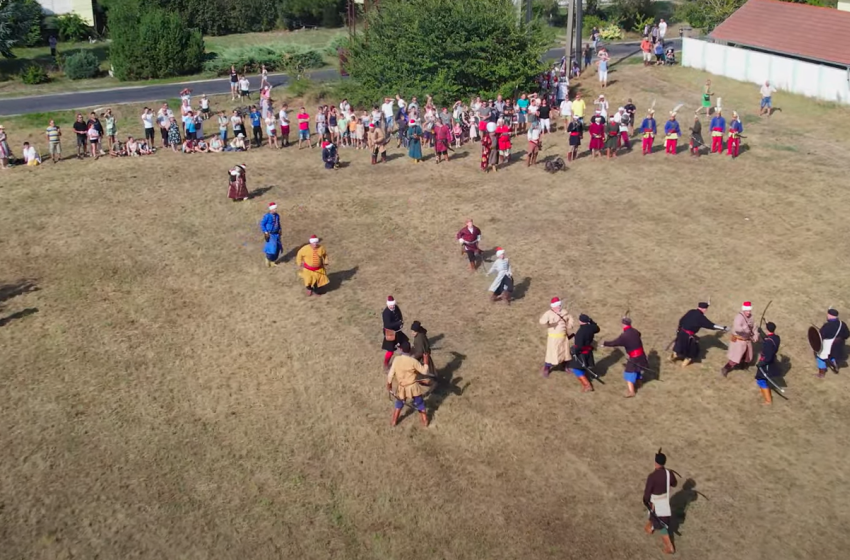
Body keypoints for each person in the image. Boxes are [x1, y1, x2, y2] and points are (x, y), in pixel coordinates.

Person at [386, 340, 430, 427]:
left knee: (399, 404)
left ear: (401, 349)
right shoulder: (413, 361)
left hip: (402, 387)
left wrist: (389, 385)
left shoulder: (396, 360)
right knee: (420, 403)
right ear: (410, 350)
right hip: (413, 387)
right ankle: (425, 422)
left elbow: (390, 374)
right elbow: (425, 372)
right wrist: (426, 361)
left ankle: (394, 421)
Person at [671, 302, 728, 367]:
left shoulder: (691, 311)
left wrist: (679, 329)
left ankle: (671, 357)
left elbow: (681, 320)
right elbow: (711, 325)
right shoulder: (701, 318)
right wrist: (723, 328)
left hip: (681, 332)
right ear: (704, 309)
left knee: (678, 346)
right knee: (692, 351)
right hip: (688, 336)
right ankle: (683, 365)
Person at [603, 317, 649, 398]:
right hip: (641, 355)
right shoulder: (635, 331)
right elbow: (639, 334)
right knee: (637, 369)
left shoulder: (624, 336)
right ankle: (639, 383)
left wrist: (605, 343)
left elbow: (615, 343)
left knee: (628, 373)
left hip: (634, 357)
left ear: (623, 324)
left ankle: (631, 392)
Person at [643, 450, 678, 555]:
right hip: (665, 503)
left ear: (656, 463)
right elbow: (674, 483)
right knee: (657, 519)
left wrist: (646, 501)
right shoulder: (669, 474)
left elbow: (647, 493)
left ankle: (669, 547)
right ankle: (651, 527)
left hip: (656, 504)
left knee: (662, 525)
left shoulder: (652, 477)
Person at [720, 302, 759, 377]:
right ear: (744, 310)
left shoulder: (751, 317)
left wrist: (755, 335)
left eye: (750, 311)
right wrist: (746, 329)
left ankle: (742, 366)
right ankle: (725, 369)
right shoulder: (739, 317)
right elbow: (738, 329)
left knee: (746, 355)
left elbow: (754, 327)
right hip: (739, 341)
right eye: (747, 311)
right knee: (735, 357)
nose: (749, 312)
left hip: (747, 340)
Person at [539, 297, 575, 378]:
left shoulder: (564, 312)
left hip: (563, 338)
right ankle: (546, 369)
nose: (558, 307)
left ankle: (565, 367)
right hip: (553, 339)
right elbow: (541, 321)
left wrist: (569, 325)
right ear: (553, 306)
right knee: (551, 355)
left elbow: (570, 319)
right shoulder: (548, 313)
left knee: (565, 354)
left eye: (559, 305)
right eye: (557, 306)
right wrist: (548, 321)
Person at [815, 309, 849, 378]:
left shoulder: (827, 326)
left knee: (820, 356)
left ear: (830, 315)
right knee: (833, 355)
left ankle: (821, 373)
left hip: (828, 345)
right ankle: (834, 363)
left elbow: (820, 337)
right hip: (838, 346)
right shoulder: (842, 324)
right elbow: (847, 334)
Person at [569, 314, 599, 393]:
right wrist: (591, 321)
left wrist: (574, 351)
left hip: (582, 353)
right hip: (588, 350)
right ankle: (586, 378)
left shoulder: (580, 332)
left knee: (576, 369)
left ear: (580, 321)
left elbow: (579, 346)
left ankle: (587, 385)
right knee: (582, 367)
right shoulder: (592, 328)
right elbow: (597, 328)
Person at [756, 322, 781, 405]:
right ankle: (765, 392)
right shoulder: (776, 338)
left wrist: (761, 363)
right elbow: (768, 338)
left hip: (767, 364)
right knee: (762, 379)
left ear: (767, 329)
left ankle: (768, 400)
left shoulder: (768, 343)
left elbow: (768, 355)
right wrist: (761, 332)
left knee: (761, 379)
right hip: (771, 361)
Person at [382, 296, 408, 369]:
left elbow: (400, 315)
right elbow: (387, 325)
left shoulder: (396, 308)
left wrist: (401, 322)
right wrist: (398, 323)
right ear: (388, 305)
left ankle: (405, 361)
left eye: (393, 305)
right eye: (391, 305)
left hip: (397, 331)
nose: (392, 306)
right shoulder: (385, 313)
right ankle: (386, 364)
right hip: (389, 332)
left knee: (404, 344)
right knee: (390, 351)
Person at [260, 202, 282, 267]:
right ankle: (268, 259)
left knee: (277, 248)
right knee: (272, 248)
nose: (275, 210)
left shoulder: (277, 216)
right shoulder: (267, 216)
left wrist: (280, 229)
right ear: (271, 209)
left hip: (276, 234)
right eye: (274, 209)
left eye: (276, 209)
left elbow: (278, 223)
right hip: (270, 234)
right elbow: (262, 224)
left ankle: (273, 261)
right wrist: (265, 231)